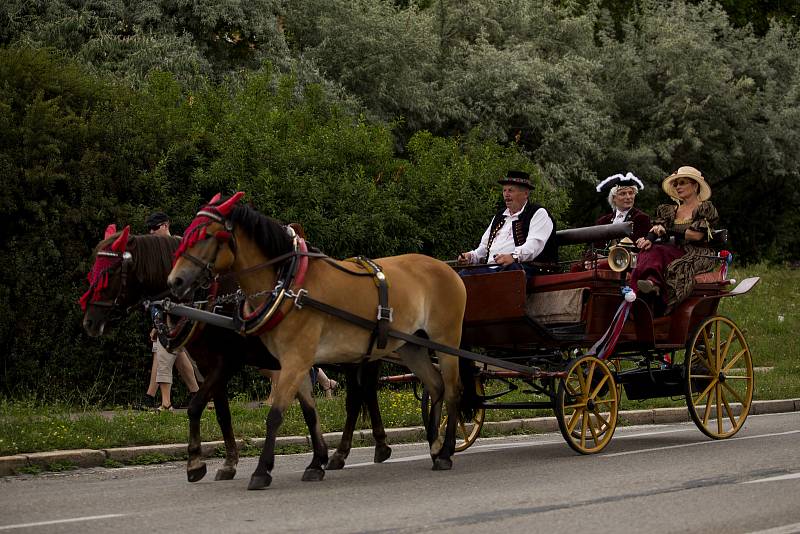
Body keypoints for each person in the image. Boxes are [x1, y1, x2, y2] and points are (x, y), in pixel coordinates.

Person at [631, 166, 719, 315]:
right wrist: (649, 239)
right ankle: (644, 290)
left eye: (683, 183)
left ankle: (656, 289)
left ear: (695, 185)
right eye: (676, 184)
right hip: (675, 250)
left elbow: (696, 236)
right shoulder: (670, 210)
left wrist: (668, 231)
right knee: (648, 250)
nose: (678, 187)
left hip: (696, 252)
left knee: (661, 252)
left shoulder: (704, 208)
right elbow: (658, 226)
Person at [143, 211, 201, 411]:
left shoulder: (178, 245)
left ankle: (163, 402)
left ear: (165, 225)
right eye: (149, 229)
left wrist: (169, 313)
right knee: (176, 354)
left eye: (155, 228)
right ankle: (197, 394)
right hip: (161, 307)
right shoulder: (156, 250)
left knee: (165, 351)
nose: (151, 232)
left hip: (176, 307)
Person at [457, 170, 557, 277]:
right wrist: (471, 256)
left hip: (523, 269)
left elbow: (534, 245)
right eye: (504, 190)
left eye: (511, 190)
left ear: (526, 193)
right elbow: (484, 248)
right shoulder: (499, 216)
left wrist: (513, 257)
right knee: (459, 276)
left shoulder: (538, 213)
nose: (506, 194)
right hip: (491, 270)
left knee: (507, 272)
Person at [594, 172, 651, 246]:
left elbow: (639, 248)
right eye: (623, 193)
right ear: (614, 198)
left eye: (631, 193)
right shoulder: (602, 221)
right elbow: (594, 248)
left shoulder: (641, 218)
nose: (628, 197)